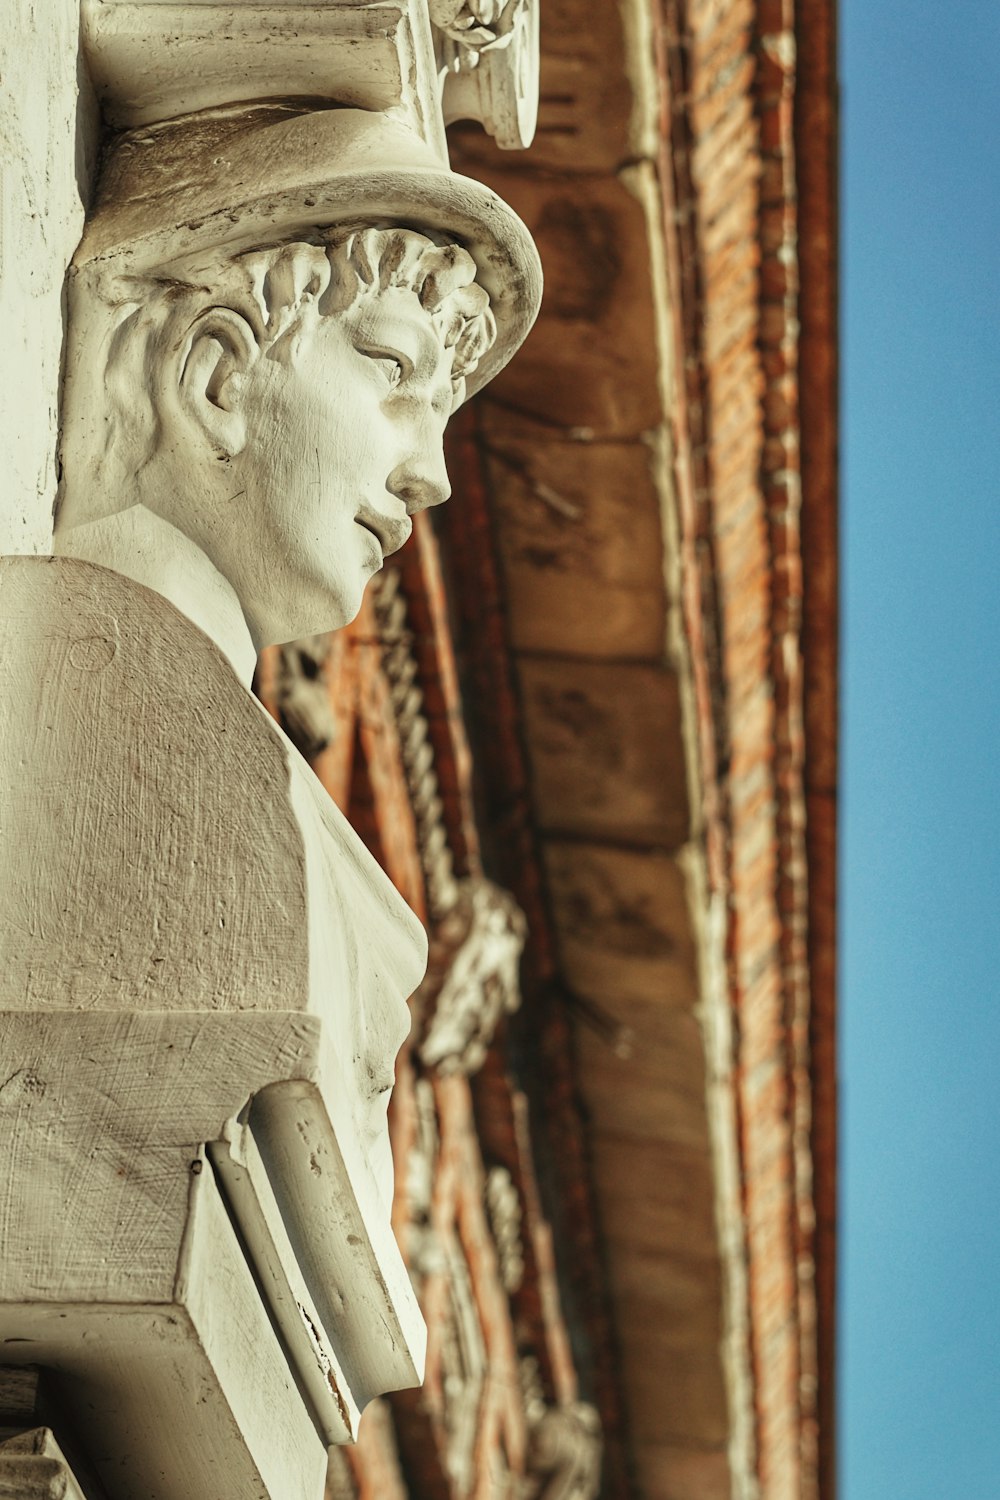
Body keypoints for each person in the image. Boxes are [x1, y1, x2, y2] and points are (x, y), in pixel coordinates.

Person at [2, 104, 542, 1207]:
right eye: (391, 369)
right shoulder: (160, 756)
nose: (431, 471)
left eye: (436, 410)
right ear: (214, 371)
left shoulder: (325, 869)